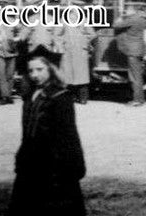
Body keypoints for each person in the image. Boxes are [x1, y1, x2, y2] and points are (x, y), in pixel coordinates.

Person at [8, 46, 87, 216]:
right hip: (30, 162)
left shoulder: (61, 97)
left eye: (39, 69)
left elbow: (69, 135)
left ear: (51, 69)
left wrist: (74, 165)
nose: (34, 75)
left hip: (54, 165)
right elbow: (26, 133)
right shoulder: (30, 96)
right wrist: (21, 156)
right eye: (30, 71)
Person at [112, 2, 146, 107]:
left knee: (134, 76)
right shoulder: (141, 19)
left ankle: (136, 100)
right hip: (139, 49)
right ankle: (140, 99)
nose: (126, 11)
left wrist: (119, 17)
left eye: (127, 10)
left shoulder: (132, 19)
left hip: (132, 51)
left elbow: (116, 25)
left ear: (132, 11)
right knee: (138, 76)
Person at [56, 11, 94, 105]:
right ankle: (82, 99)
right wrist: (85, 42)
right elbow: (92, 34)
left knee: (70, 76)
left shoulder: (63, 20)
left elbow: (57, 35)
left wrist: (61, 46)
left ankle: (71, 97)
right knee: (80, 76)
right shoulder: (84, 20)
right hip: (79, 51)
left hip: (70, 50)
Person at [0, 5, 19, 104]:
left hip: (11, 50)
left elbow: (23, 29)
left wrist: (17, 38)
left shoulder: (12, 20)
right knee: (1, 74)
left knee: (10, 74)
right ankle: (4, 96)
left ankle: (8, 95)